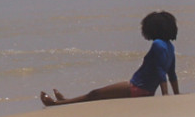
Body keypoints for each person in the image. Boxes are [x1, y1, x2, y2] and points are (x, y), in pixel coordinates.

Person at [41, 11, 180, 106]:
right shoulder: (170, 47)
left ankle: (58, 104)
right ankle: (64, 101)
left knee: (94, 94)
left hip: (137, 87)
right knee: (96, 95)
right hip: (146, 90)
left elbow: (160, 71)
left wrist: (165, 94)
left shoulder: (157, 45)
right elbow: (171, 73)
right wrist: (176, 94)